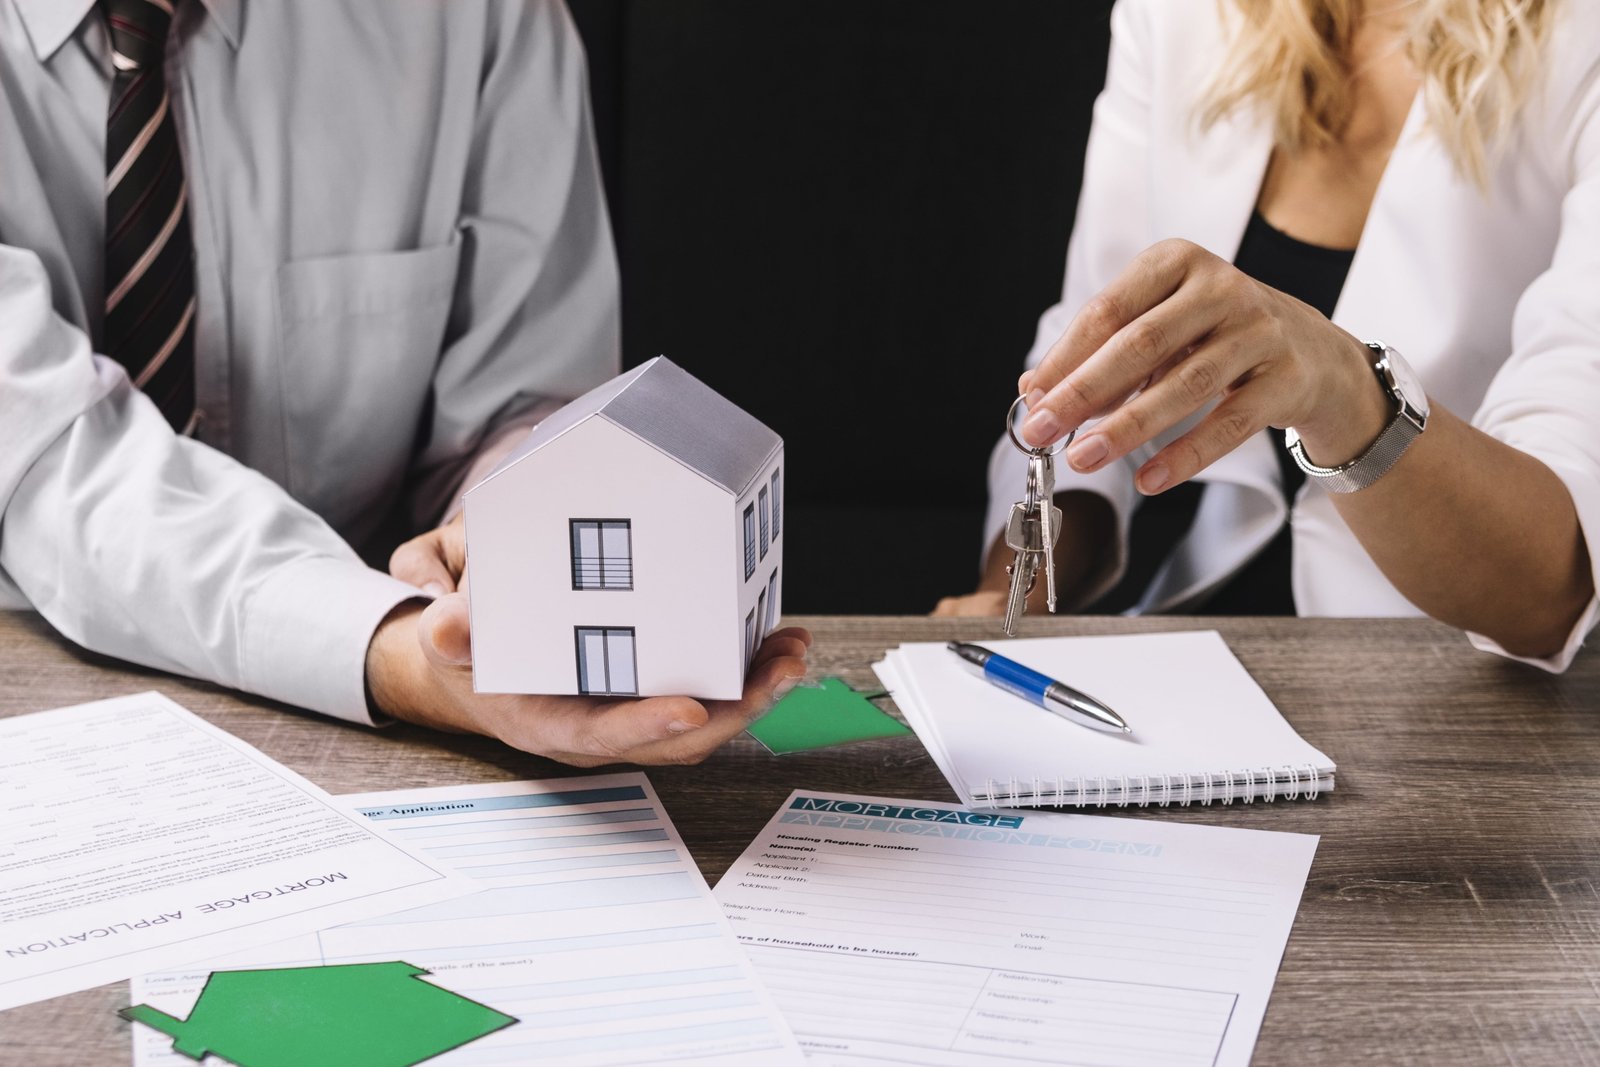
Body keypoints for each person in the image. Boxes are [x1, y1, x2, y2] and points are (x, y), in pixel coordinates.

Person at [0, 0, 808, 764]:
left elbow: (526, 399)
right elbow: (48, 466)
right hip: (46, 700)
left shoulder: (481, 16)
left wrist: (498, 553)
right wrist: (405, 654)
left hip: (395, 747)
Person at [937, 0, 1599, 671]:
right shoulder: (1181, 16)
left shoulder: (1582, 42)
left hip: (1463, 681)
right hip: (1214, 650)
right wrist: (1014, 592)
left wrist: (1343, 390)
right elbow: (1096, 366)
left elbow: (1551, 593)